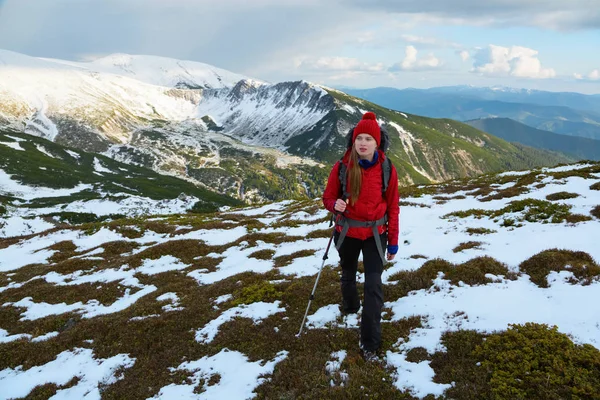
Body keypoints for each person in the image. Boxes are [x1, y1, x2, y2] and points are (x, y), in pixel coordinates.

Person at [322, 111, 400, 362]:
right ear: (353, 141)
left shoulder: (387, 168)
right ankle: (351, 306)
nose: (363, 143)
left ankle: (370, 344)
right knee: (347, 271)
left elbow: (393, 207)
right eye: (359, 139)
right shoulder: (343, 167)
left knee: (373, 285)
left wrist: (394, 241)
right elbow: (327, 197)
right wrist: (335, 206)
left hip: (376, 234)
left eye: (368, 138)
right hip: (348, 232)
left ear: (378, 143)